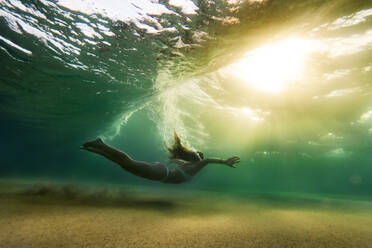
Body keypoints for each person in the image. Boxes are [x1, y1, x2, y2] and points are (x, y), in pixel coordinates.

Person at [81, 132, 240, 184]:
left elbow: (176, 161)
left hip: (160, 173)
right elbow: (207, 160)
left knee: (125, 165)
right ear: (197, 159)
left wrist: (172, 161)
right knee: (128, 163)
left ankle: (96, 150)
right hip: (160, 174)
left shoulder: (188, 165)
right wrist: (224, 161)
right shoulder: (195, 165)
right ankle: (101, 144)